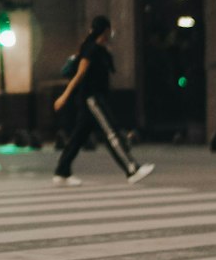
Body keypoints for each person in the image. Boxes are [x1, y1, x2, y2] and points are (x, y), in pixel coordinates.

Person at [52, 14, 154, 186]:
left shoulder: (99, 50)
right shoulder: (90, 49)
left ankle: (62, 172)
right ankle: (131, 169)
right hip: (92, 99)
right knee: (111, 132)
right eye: (109, 29)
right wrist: (64, 96)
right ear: (105, 30)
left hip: (93, 99)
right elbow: (80, 74)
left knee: (78, 137)